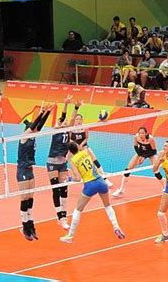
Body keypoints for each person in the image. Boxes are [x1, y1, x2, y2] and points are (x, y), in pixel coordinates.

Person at [60, 141, 125, 243]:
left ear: (70, 151)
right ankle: (116, 227)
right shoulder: (86, 152)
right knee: (107, 206)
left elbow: (77, 178)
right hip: (101, 181)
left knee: (78, 209)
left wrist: (69, 179)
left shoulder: (73, 161)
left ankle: (70, 236)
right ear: (77, 147)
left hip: (90, 185)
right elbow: (82, 147)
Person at [19, 104, 55, 241]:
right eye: (31, 129)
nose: (34, 130)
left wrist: (48, 113)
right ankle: (24, 226)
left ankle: (31, 225)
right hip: (22, 170)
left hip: (30, 169)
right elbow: (34, 125)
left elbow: (38, 126)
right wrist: (41, 113)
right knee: (24, 198)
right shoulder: (23, 136)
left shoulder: (33, 136)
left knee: (30, 199)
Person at [46, 96, 81, 230]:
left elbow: (71, 119)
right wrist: (65, 105)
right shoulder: (57, 129)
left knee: (64, 189)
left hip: (62, 163)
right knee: (55, 188)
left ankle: (64, 216)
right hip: (52, 162)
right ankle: (59, 216)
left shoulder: (67, 129)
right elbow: (63, 116)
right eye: (62, 121)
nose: (65, 121)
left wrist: (77, 107)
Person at [112, 126, 162, 197]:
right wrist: (140, 155)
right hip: (140, 153)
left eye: (143, 133)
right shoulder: (136, 137)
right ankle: (121, 189)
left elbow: (154, 151)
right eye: (139, 133)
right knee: (127, 170)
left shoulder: (150, 139)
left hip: (151, 154)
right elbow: (135, 147)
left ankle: (164, 188)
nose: (141, 135)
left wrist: (144, 157)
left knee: (156, 170)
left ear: (146, 133)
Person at [70, 114, 113, 187]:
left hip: (84, 146)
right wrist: (76, 145)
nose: (78, 121)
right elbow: (70, 139)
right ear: (74, 120)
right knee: (73, 163)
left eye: (80, 119)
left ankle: (105, 179)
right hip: (75, 149)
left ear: (82, 120)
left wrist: (81, 145)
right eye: (76, 119)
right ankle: (74, 178)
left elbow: (86, 138)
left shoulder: (85, 127)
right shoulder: (71, 128)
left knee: (94, 160)